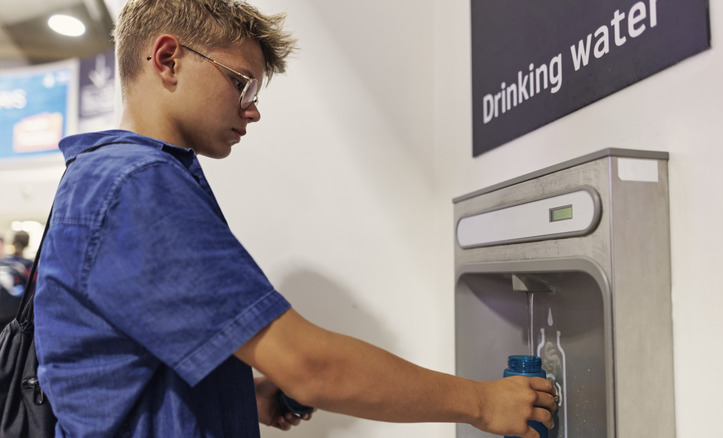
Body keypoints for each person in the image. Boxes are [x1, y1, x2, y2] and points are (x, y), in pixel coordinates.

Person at [34, 1, 557, 437]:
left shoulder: (109, 178)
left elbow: (136, 360)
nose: (252, 109)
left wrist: (243, 392)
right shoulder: (135, 185)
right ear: (168, 58)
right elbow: (310, 365)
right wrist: (483, 403)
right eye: (242, 84)